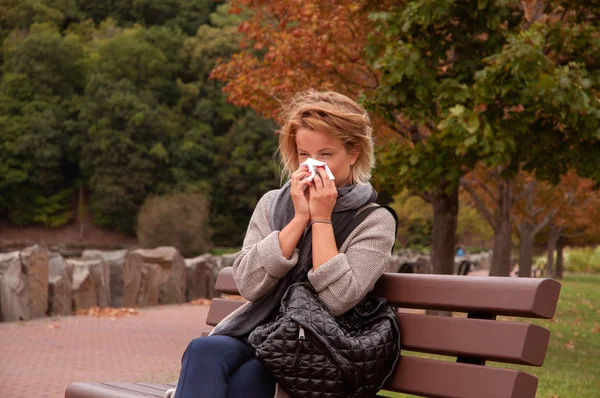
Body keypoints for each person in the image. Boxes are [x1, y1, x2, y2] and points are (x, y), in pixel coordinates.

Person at [167, 89, 397, 398]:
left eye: (326, 155)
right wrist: (299, 218)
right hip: (256, 333)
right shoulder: (273, 204)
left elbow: (338, 299)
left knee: (246, 379)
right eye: (304, 154)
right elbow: (248, 284)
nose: (313, 165)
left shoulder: (374, 221)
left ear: (353, 153)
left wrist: (322, 219)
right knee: (203, 349)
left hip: (312, 350)